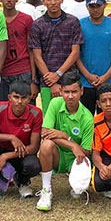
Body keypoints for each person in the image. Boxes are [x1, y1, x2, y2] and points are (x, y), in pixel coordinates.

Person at [0, 81, 42, 205]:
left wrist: (6, 156)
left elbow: (34, 147)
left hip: (21, 153)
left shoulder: (36, 113)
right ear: (9, 97)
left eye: (23, 98)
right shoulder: (1, 107)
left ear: (30, 98)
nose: (19, 102)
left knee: (34, 165)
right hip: (1, 148)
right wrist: (11, 138)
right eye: (16, 97)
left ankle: (22, 181)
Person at [36, 72, 94, 211]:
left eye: (74, 92)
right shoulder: (55, 103)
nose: (70, 96)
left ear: (82, 91)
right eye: (66, 92)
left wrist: (65, 137)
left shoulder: (87, 117)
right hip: (58, 155)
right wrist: (70, 143)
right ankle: (46, 190)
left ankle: (76, 182)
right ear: (60, 91)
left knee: (78, 190)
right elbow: (45, 133)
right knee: (46, 145)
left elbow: (85, 151)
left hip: (77, 159)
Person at [29, 0, 84, 114]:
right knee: (50, 119)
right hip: (47, 83)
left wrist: (58, 74)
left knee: (71, 119)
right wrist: (52, 83)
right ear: (43, 1)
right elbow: (37, 56)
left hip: (70, 81)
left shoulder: (73, 21)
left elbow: (75, 52)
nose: (53, 2)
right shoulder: (37, 25)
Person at [76, 0, 111, 114]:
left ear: (105, 5)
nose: (95, 10)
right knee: (87, 121)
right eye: (92, 6)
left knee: (108, 121)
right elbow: (76, 54)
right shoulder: (79, 25)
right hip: (86, 83)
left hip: (109, 83)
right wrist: (87, 75)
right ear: (87, 6)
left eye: (98, 6)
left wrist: (106, 76)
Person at [0, 0, 37, 102]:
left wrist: (34, 80)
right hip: (3, 73)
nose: (9, 0)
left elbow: (32, 50)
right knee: (4, 112)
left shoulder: (26, 19)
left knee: (27, 110)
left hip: (24, 72)